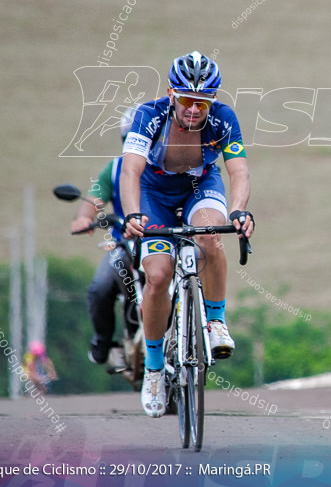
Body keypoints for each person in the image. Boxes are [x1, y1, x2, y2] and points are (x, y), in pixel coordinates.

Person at [121, 51, 254, 417]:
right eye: (187, 100)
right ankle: (152, 368)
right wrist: (133, 213)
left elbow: (238, 171)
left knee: (210, 237)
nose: (195, 110)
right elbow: (130, 171)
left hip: (199, 185)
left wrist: (239, 210)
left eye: (203, 102)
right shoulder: (149, 115)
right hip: (154, 193)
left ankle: (215, 320)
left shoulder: (223, 118)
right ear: (171, 94)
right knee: (159, 274)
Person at [70, 109, 137, 371]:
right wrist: (84, 217)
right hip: (126, 244)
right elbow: (93, 199)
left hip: (166, 241)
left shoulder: (168, 166)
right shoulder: (116, 169)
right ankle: (104, 342)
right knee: (100, 287)